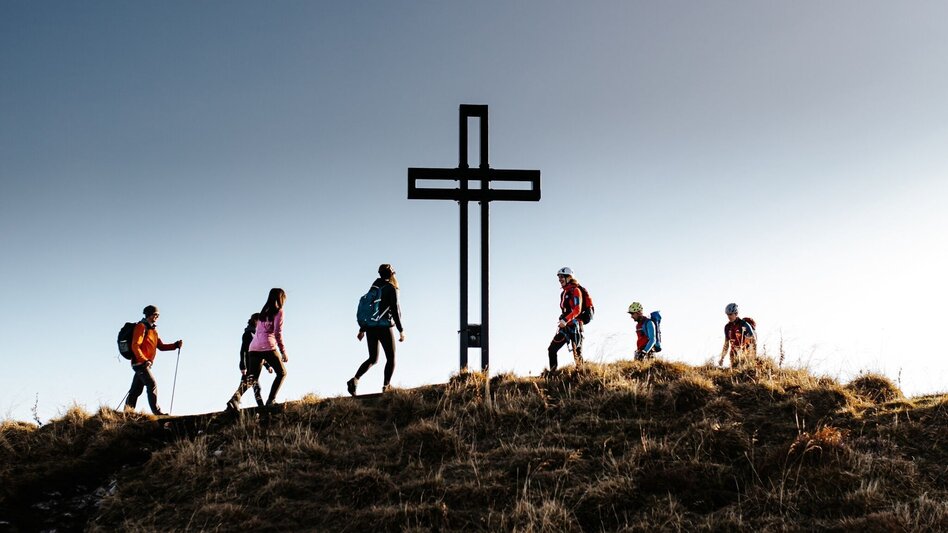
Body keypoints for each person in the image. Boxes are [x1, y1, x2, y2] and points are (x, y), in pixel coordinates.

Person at [347, 264, 405, 396]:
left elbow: (368, 310)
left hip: (371, 328)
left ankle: (354, 380)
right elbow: (395, 310)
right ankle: (386, 386)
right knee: (391, 357)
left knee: (373, 358)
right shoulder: (391, 289)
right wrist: (401, 330)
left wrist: (362, 329)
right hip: (384, 327)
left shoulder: (373, 288)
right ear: (391, 274)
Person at [226, 288, 288, 411]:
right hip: (268, 346)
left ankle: (234, 399)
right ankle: (271, 400)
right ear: (281, 299)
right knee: (282, 373)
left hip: (254, 348)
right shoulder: (279, 312)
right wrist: (283, 351)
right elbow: (277, 333)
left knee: (252, 378)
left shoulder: (263, 312)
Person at [125, 305, 183, 415]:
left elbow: (160, 346)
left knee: (135, 390)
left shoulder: (154, 331)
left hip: (145, 363)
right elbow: (135, 345)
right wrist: (143, 360)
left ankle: (127, 413)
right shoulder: (141, 327)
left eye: (158, 315)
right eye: (155, 314)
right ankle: (157, 413)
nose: (157, 316)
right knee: (152, 384)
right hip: (140, 363)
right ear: (149, 315)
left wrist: (175, 345)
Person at [547, 267, 584, 371]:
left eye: (562, 277)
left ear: (569, 277)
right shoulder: (563, 293)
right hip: (565, 327)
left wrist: (565, 320)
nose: (560, 280)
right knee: (552, 349)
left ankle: (581, 375)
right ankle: (552, 375)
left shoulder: (576, 290)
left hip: (575, 327)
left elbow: (577, 309)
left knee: (577, 354)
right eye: (559, 278)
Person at [236, 313, 272, 409]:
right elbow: (243, 350)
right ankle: (261, 407)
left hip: (254, 365)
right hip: (249, 366)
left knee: (250, 387)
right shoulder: (248, 334)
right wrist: (243, 366)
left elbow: (259, 353)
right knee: (249, 387)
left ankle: (232, 404)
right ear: (256, 321)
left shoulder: (256, 334)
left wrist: (267, 366)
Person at [720, 302, 756, 367]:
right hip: (733, 352)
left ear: (736, 313)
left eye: (730, 314)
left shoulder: (744, 325)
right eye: (727, 314)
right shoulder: (727, 327)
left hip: (745, 352)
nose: (729, 316)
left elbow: (753, 341)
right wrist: (722, 358)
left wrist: (753, 357)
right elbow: (726, 344)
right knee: (733, 369)